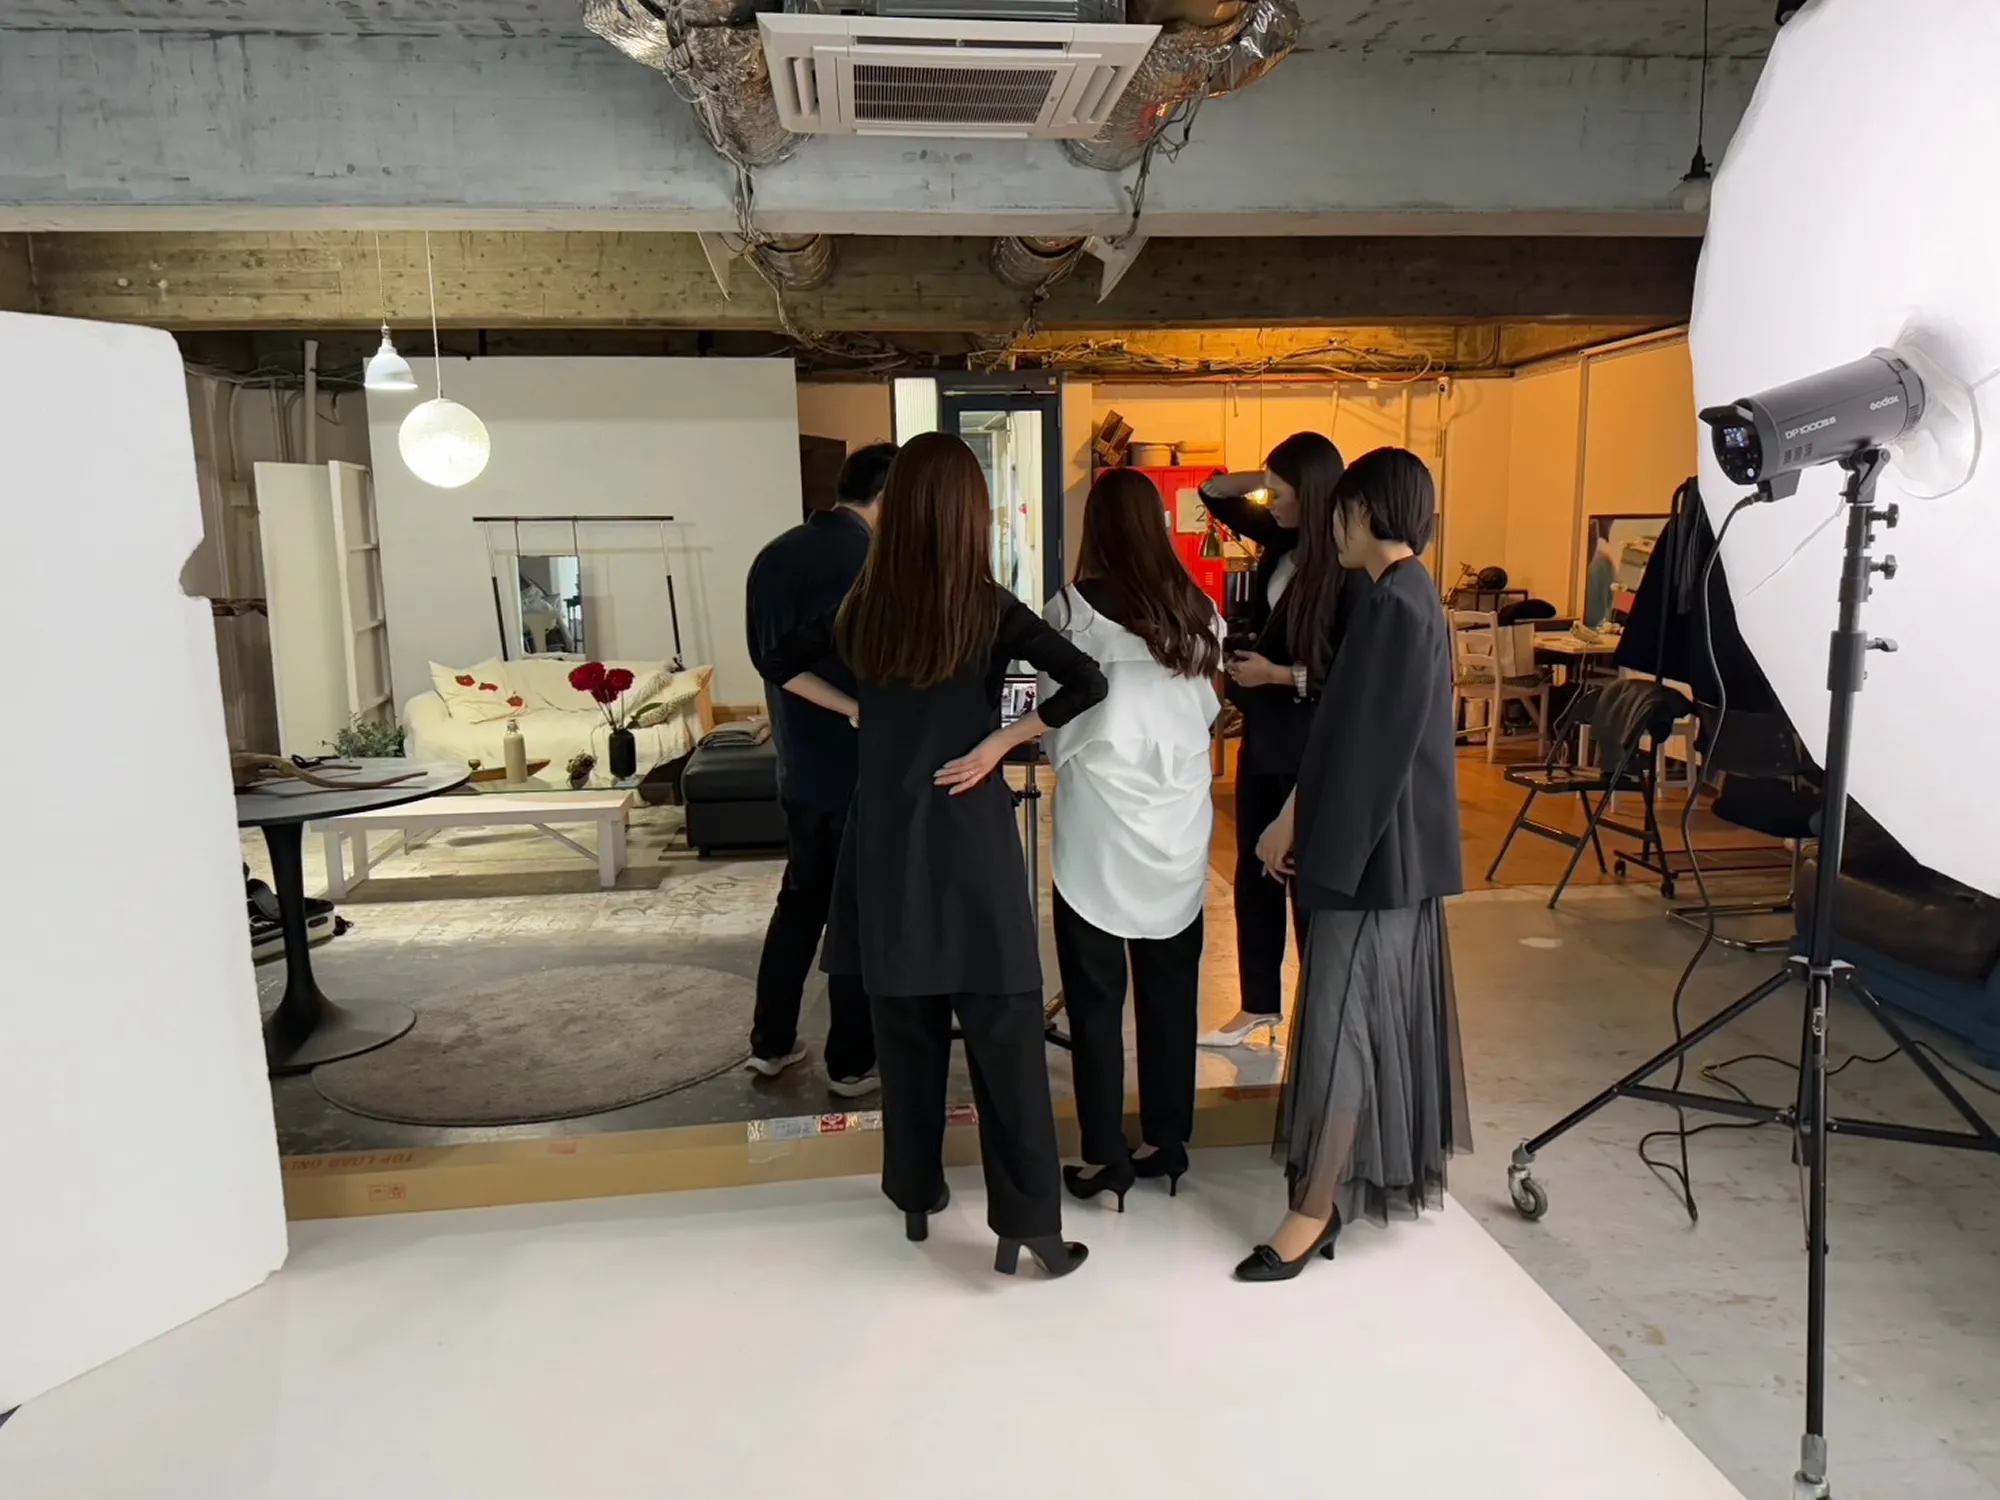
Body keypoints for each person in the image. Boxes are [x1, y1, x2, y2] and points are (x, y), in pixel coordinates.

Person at [757, 432, 1108, 1280]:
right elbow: (1087, 681)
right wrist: (999, 744)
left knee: (905, 1028)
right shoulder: (986, 606)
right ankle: (1028, 1225)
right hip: (969, 834)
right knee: (1005, 1031)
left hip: (884, 837)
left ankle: (915, 1195)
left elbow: (777, 661)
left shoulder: (862, 609)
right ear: (967, 513)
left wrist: (855, 712)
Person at [1235, 446, 1469, 1283]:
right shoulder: (1393, 596)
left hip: (1375, 860)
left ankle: (1313, 1209)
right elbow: (1346, 729)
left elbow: (1372, 752)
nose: (1331, 525)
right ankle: (1327, 1193)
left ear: (1366, 513)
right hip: (1377, 852)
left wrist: (1300, 834)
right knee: (1353, 1024)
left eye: (1340, 512)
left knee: (1340, 1026)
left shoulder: (1397, 605)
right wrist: (1294, 817)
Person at [1044, 469, 1223, 1209]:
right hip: (1178, 821)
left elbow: (1053, 716)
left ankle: (1103, 1157)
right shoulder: (1199, 610)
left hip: (1098, 827)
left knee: (1095, 1000)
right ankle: (1166, 1143)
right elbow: (1208, 710)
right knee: (1171, 991)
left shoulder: (1071, 610)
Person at [741, 442, 897, 1098]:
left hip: (799, 766)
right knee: (856, 915)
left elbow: (769, 659)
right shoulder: (872, 562)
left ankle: (770, 1044)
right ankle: (851, 1062)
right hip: (860, 768)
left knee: (801, 902)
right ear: (888, 495)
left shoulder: (773, 554)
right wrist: (856, 707)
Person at [1196, 433, 1354, 1046]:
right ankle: (1258, 1003)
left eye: (1282, 492)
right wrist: (1264, 477)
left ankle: (1321, 1010)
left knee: (1303, 876)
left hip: (1310, 742)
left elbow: (1349, 675)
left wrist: (1279, 675)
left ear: (1310, 494)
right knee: (1253, 872)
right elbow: (1213, 493)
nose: (1272, 501)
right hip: (1265, 736)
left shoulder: (1346, 566)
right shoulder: (1283, 539)